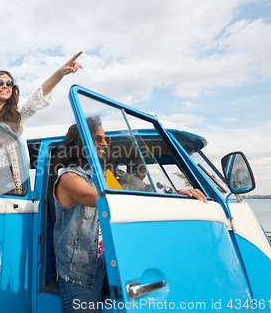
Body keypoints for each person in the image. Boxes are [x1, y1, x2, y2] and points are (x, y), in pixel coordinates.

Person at [53, 119, 207, 313]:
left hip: (105, 259)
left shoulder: (100, 177)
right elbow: (105, 199)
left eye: (106, 138)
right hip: (80, 269)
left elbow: (132, 190)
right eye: (98, 138)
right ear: (81, 142)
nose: (105, 143)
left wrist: (174, 193)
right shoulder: (69, 178)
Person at [0, 51, 83, 193]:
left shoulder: (18, 114)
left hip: (12, 176)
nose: (5, 86)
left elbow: (37, 97)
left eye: (9, 83)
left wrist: (60, 73)